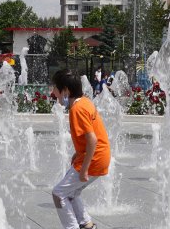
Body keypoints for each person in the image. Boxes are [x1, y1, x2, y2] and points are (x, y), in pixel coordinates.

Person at [51, 69, 110, 229]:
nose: (53, 92)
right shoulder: (84, 102)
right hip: (99, 156)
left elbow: (92, 139)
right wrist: (78, 152)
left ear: (66, 91)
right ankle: (86, 224)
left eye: (55, 88)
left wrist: (84, 169)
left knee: (58, 194)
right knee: (72, 192)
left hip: (93, 160)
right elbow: (89, 135)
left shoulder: (77, 109)